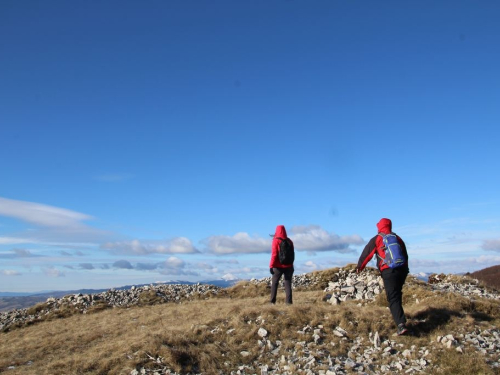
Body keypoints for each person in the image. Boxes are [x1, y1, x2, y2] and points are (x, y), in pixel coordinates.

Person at [356, 218, 410, 335]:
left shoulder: (378, 238)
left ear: (379, 226)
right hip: (402, 270)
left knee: (392, 298)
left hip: (388, 271)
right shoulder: (397, 238)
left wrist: (359, 267)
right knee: (397, 294)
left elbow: (367, 254)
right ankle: (400, 318)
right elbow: (405, 254)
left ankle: (401, 325)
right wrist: (406, 269)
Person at [269, 225, 294, 304]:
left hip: (278, 266)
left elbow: (274, 254)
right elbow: (292, 254)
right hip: (289, 266)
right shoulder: (289, 241)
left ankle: (272, 302)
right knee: (288, 284)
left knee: (275, 283)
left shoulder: (275, 240)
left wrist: (271, 266)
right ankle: (289, 303)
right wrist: (291, 264)